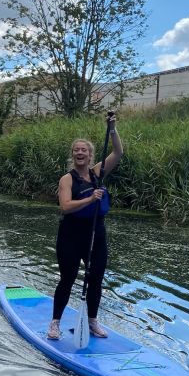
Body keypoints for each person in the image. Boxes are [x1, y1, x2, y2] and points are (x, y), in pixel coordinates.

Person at [48, 113, 123, 340]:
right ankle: (55, 323)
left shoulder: (98, 172)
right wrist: (90, 199)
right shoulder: (67, 179)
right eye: (76, 150)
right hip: (71, 235)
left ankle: (92, 322)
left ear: (90, 155)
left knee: (96, 279)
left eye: (84, 150)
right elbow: (66, 206)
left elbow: (118, 152)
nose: (80, 153)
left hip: (96, 234)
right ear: (73, 155)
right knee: (68, 279)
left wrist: (112, 129)